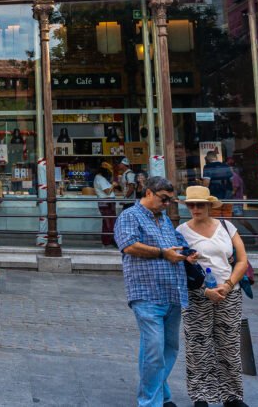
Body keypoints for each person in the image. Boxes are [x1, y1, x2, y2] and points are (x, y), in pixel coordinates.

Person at [114, 175, 200, 407]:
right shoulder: (130, 216)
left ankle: (162, 395)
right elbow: (129, 245)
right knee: (153, 349)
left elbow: (177, 245)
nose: (167, 204)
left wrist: (187, 254)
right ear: (148, 193)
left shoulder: (164, 220)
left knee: (168, 349)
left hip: (173, 292)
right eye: (164, 199)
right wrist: (163, 253)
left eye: (170, 200)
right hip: (147, 293)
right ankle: (150, 402)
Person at [177, 186, 250, 407]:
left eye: (200, 204)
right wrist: (204, 289)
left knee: (229, 346)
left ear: (209, 205)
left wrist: (228, 285)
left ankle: (232, 396)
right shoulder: (181, 231)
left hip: (229, 294)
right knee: (198, 347)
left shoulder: (227, 227)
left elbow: (242, 261)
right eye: (191, 205)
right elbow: (179, 267)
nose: (195, 208)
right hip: (197, 295)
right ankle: (201, 396)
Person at [201, 150, 233, 218]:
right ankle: (226, 225)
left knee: (215, 218)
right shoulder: (226, 166)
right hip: (228, 196)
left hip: (215, 196)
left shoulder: (208, 167)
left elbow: (206, 182)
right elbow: (232, 180)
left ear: (207, 158)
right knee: (227, 218)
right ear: (216, 157)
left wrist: (203, 194)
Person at [93, 161, 118, 247]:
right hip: (107, 202)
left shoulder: (98, 178)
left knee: (107, 221)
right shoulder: (100, 179)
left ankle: (107, 240)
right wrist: (113, 185)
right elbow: (107, 192)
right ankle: (111, 240)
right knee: (110, 222)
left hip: (105, 201)